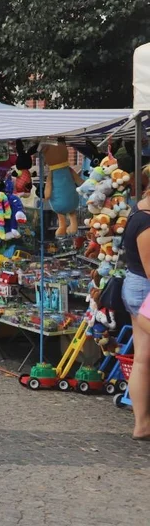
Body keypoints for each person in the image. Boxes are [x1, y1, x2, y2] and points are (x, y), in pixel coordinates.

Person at [121, 167, 150, 440]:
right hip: (144, 290)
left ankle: (142, 424)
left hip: (136, 286)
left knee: (143, 358)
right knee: (143, 359)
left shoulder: (140, 209)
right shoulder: (147, 222)